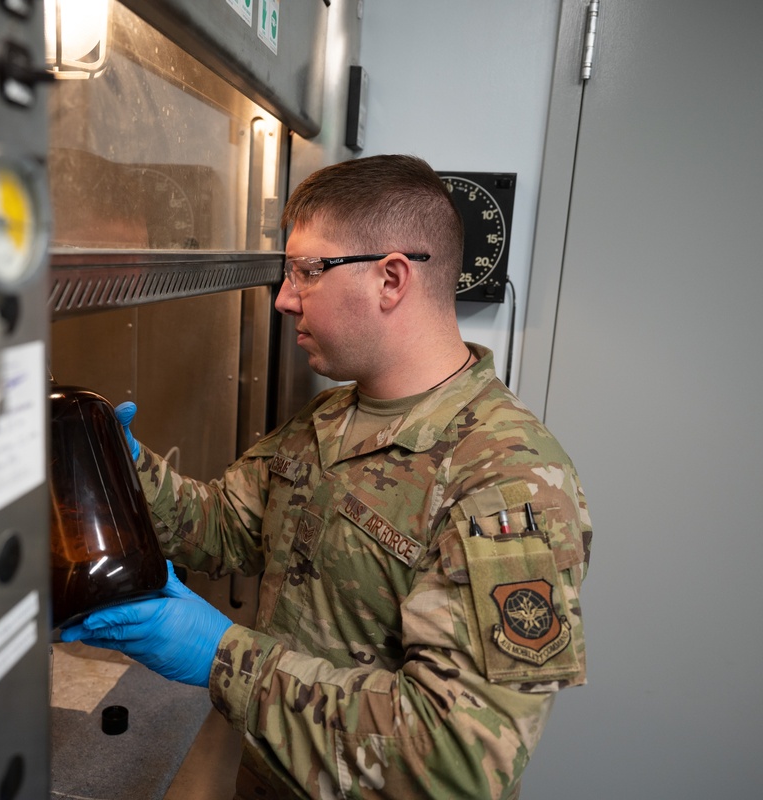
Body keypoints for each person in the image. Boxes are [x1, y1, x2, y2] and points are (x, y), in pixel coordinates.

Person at [61, 154, 592, 799]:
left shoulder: (507, 480)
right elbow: (223, 528)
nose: (285, 299)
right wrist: (114, 464)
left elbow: (455, 759)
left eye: (307, 272)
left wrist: (221, 657)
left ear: (391, 279)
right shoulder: (332, 416)